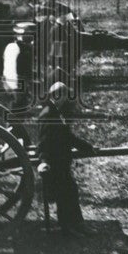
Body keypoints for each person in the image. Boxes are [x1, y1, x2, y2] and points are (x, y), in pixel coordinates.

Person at [36, 81, 95, 235]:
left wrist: (86, 147)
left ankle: (78, 224)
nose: (66, 99)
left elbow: (67, 137)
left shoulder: (56, 112)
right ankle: (67, 228)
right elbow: (43, 143)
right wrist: (44, 162)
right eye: (64, 95)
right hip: (54, 163)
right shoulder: (48, 115)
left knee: (71, 190)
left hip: (61, 160)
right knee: (64, 192)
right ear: (57, 96)